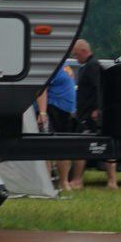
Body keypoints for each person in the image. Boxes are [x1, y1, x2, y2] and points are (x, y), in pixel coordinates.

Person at [71, 40, 118, 190]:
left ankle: (77, 180)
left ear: (84, 51)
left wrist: (97, 109)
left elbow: (99, 88)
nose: (75, 58)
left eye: (76, 54)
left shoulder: (92, 66)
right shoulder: (90, 65)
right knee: (105, 146)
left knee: (81, 146)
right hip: (87, 113)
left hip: (90, 115)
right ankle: (112, 181)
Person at [43, 60, 78, 190]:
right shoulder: (50, 66)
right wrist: (42, 112)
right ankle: (47, 182)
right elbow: (43, 89)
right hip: (54, 108)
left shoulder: (65, 64)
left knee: (65, 147)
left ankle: (64, 182)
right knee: (50, 147)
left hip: (67, 111)